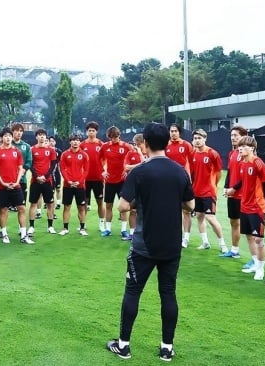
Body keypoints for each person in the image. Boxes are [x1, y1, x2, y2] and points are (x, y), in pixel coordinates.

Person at [106, 122, 194, 362]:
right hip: (172, 244)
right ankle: (167, 348)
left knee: (133, 291)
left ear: (144, 143)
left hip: (144, 244)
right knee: (168, 293)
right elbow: (191, 205)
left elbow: (123, 206)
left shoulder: (140, 171)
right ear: (167, 142)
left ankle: (123, 345)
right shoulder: (179, 171)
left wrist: (140, 201)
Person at [225, 136, 265, 281]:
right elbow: (242, 181)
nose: (240, 148)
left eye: (244, 146)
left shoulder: (258, 163)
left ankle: (261, 269)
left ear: (252, 148)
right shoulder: (243, 163)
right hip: (245, 205)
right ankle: (255, 263)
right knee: (249, 236)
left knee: (258, 239)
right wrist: (232, 189)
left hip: (257, 207)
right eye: (239, 146)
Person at [0, 128, 33, 244]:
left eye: (9, 136)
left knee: (22, 208)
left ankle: (24, 235)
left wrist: (17, 181)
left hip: (16, 186)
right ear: (2, 138)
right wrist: (3, 183)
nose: (8, 138)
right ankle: (4, 234)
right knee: (3, 210)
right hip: (2, 187)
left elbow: (21, 168)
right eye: (5, 136)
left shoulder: (17, 151)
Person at [190, 129, 227, 252]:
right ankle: (205, 242)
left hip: (208, 192)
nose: (197, 140)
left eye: (199, 138)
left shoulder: (212, 153)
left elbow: (218, 172)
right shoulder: (193, 154)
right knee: (199, 217)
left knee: (210, 218)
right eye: (195, 138)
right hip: (196, 191)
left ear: (205, 139)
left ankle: (223, 244)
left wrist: (214, 185)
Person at [220, 126, 248, 259]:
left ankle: (255, 259)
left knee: (248, 228)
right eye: (232, 135)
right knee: (234, 222)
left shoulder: (247, 154)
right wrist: (226, 187)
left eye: (236, 135)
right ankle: (234, 250)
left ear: (243, 136)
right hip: (232, 194)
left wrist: (234, 189)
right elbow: (230, 172)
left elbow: (246, 177)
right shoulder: (232, 153)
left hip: (244, 195)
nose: (233, 138)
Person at [100, 126, 131, 238]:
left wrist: (127, 171)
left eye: (116, 137)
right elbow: (99, 160)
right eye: (112, 137)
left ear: (119, 135)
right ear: (109, 137)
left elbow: (133, 158)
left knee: (123, 206)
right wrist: (103, 171)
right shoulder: (105, 147)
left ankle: (123, 230)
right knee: (108, 205)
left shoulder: (126, 146)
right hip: (109, 181)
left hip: (122, 181)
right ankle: (108, 229)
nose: (115, 139)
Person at [166, 123, 193, 247]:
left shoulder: (186, 145)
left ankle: (186, 238)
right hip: (168, 181)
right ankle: (172, 236)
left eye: (175, 131)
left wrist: (190, 179)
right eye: (171, 131)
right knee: (169, 210)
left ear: (179, 132)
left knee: (186, 210)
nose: (173, 133)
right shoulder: (165, 145)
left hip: (182, 181)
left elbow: (192, 164)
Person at [27, 129, 57, 237]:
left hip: (47, 181)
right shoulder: (32, 149)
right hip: (35, 181)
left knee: (50, 203)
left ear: (46, 137)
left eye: (43, 135)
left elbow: (53, 165)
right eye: (39, 135)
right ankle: (31, 227)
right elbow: (30, 164)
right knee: (33, 203)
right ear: (36, 137)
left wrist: (45, 176)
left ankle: (50, 226)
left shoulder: (51, 150)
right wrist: (37, 176)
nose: (41, 137)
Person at [58, 134, 90, 236]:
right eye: (73, 140)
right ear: (70, 142)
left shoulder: (84, 155)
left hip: (80, 185)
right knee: (67, 206)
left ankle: (82, 228)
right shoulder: (65, 154)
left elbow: (86, 170)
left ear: (80, 142)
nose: (75, 142)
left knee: (81, 207)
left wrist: (79, 181)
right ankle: (65, 228)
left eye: (77, 140)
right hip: (68, 185)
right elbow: (62, 169)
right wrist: (69, 181)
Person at [81, 121, 106, 232]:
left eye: (93, 130)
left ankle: (101, 223)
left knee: (100, 201)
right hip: (85, 178)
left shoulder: (101, 144)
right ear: (87, 132)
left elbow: (106, 158)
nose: (91, 132)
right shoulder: (82, 145)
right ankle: (83, 224)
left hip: (98, 178)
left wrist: (102, 169)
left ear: (96, 131)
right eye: (89, 130)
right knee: (84, 202)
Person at [123, 134, 146, 241]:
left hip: (146, 186)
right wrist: (139, 165)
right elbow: (126, 167)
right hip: (134, 186)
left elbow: (146, 164)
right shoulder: (130, 153)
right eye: (135, 144)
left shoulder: (149, 154)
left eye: (138, 144)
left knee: (145, 211)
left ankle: (144, 233)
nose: (136, 146)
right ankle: (132, 233)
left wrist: (141, 157)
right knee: (132, 210)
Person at [11, 122, 33, 203]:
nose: (19, 133)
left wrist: (23, 171)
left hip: (22, 180)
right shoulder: (6, 145)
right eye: (16, 130)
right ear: (12, 131)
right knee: (5, 209)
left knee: (21, 206)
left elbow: (29, 161)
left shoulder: (26, 146)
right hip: (8, 180)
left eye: (21, 131)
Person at [48, 136, 63, 210]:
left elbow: (60, 162)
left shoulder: (59, 151)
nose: (51, 142)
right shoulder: (46, 151)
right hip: (49, 172)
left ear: (55, 142)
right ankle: (49, 201)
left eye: (53, 141)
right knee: (50, 189)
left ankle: (58, 203)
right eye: (50, 141)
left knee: (58, 188)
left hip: (56, 172)